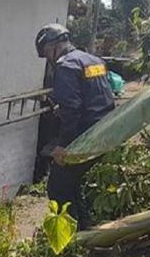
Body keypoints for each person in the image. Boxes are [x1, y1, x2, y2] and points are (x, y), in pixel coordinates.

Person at [35, 24, 115, 229]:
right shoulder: (93, 60)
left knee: (57, 186)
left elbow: (72, 109)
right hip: (106, 129)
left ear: (53, 47)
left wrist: (63, 145)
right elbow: (98, 97)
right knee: (73, 182)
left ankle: (70, 238)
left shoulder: (66, 65)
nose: (48, 59)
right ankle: (85, 227)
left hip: (85, 134)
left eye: (46, 53)